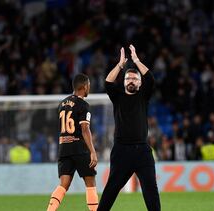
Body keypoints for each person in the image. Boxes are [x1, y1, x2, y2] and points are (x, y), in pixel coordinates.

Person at [98, 45, 161, 211]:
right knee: (111, 189)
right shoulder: (117, 96)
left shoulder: (143, 95)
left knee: (150, 190)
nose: (131, 81)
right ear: (124, 82)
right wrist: (120, 65)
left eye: (134, 79)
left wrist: (137, 60)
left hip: (142, 150)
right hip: (121, 151)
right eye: (128, 79)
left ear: (140, 83)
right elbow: (108, 81)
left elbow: (151, 78)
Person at [47, 73, 98, 211]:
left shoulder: (62, 104)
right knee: (90, 182)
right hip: (80, 149)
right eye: (88, 86)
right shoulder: (83, 105)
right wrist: (92, 151)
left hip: (64, 148)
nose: (89, 88)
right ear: (84, 86)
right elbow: (85, 128)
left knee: (63, 184)